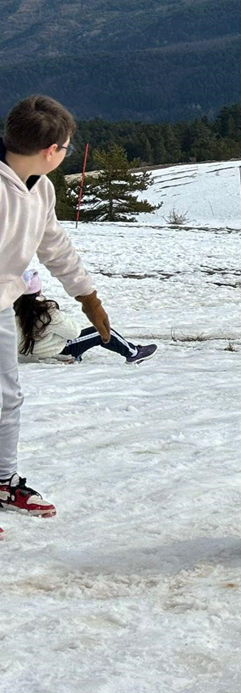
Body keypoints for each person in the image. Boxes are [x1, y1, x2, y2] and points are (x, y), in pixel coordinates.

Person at [0, 95, 115, 528]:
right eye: (66, 148)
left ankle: (4, 481)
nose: (65, 155)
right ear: (52, 151)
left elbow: (55, 247)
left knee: (8, 397)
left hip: (2, 304)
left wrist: (88, 298)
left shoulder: (40, 188)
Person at [15, 271, 156, 364]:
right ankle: (134, 353)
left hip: (30, 351)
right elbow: (73, 333)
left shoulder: (9, 310)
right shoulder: (47, 313)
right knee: (101, 332)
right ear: (38, 290)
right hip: (56, 350)